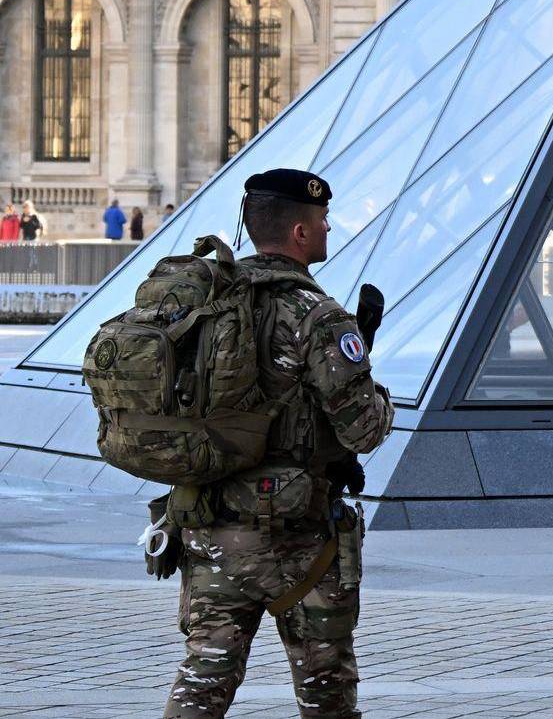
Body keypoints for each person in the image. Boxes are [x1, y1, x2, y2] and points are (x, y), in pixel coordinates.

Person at [161, 168, 395, 719]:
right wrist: (377, 391)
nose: (330, 228)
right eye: (322, 221)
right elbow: (364, 429)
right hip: (300, 537)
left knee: (202, 683)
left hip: (210, 522)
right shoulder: (319, 316)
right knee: (326, 689)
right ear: (300, 234)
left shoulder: (204, 306)